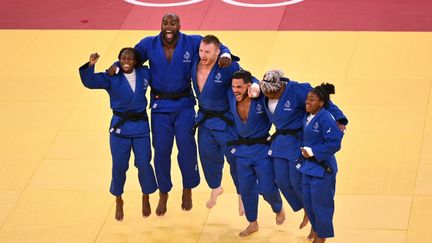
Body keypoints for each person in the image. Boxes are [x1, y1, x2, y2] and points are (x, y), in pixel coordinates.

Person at [110, 13, 234, 216]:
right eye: (165, 23)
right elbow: (128, 58)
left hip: (184, 104)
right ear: (161, 25)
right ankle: (164, 192)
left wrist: (226, 55)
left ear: (179, 25)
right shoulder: (148, 44)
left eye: (172, 23)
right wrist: (116, 66)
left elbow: (218, 46)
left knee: (186, 149)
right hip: (160, 106)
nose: (168, 26)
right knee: (161, 151)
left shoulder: (192, 41)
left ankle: (187, 188)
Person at [259, 70, 347, 239]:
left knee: (296, 181)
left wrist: (340, 119)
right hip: (280, 142)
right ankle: (306, 209)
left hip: (297, 141)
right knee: (282, 181)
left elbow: (323, 99)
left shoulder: (298, 90)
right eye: (265, 91)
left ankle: (314, 222)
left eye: (273, 92)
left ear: (281, 87)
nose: (269, 94)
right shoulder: (263, 90)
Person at [79, 48, 158, 221]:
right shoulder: (111, 77)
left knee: (144, 163)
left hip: (141, 127)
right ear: (119, 60)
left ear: (136, 61)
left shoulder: (144, 73)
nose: (126, 60)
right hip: (120, 128)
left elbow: (161, 77)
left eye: (130, 58)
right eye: (122, 58)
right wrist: (91, 64)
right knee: (119, 166)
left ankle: (146, 196)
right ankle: (118, 199)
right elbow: (90, 81)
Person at [190, 35, 260, 213]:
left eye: (208, 51)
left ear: (217, 52)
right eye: (201, 50)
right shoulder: (193, 64)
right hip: (205, 120)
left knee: (235, 160)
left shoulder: (227, 66)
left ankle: (241, 194)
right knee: (207, 156)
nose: (203, 55)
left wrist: (255, 86)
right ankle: (215, 187)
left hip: (225, 122)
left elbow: (248, 77)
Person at [227, 70, 285, 237]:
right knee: (246, 190)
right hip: (242, 152)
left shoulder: (262, 96)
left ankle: (278, 207)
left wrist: (255, 84)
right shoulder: (231, 96)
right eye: (233, 86)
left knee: (267, 188)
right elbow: (232, 67)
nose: (235, 90)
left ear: (248, 85)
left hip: (262, 150)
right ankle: (252, 223)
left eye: (239, 86)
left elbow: (276, 85)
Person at [299, 83, 344, 243]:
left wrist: (314, 152)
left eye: (312, 100)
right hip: (307, 169)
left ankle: (321, 237)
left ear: (321, 103)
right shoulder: (307, 116)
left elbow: (335, 142)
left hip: (322, 170)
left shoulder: (325, 118)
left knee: (322, 205)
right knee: (309, 204)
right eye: (307, 99)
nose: (307, 102)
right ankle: (317, 230)